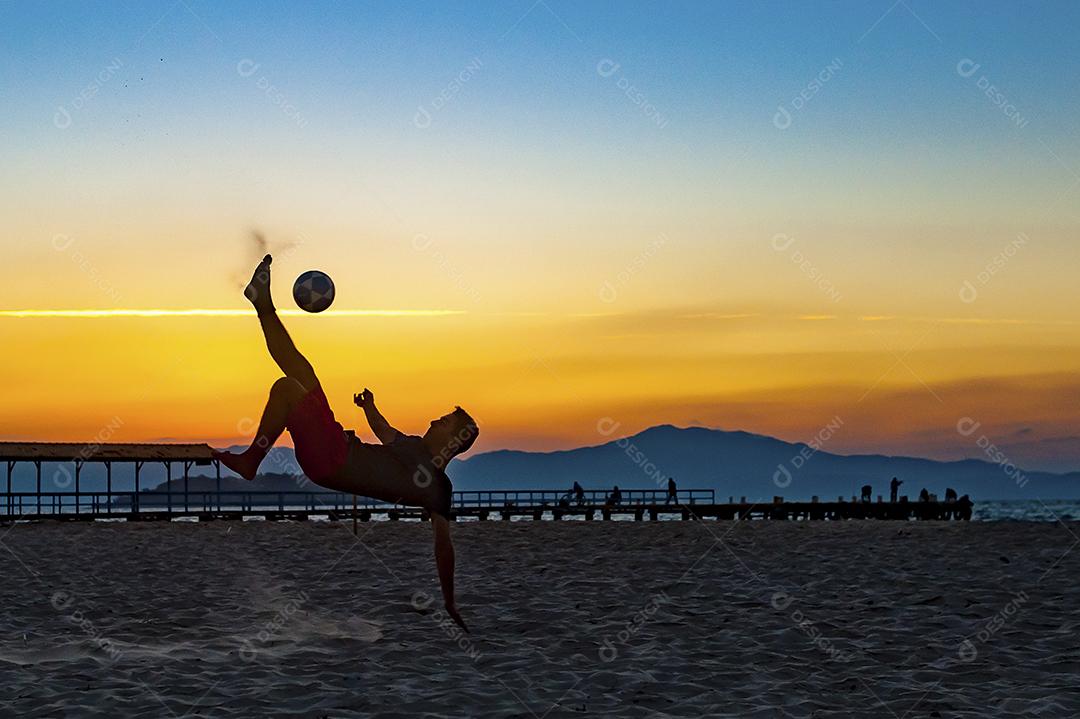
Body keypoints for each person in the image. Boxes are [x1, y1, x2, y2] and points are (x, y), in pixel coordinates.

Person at [214, 255, 478, 630]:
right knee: (300, 372)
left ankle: (251, 460)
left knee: (289, 386)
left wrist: (450, 601)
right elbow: (385, 431)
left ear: (455, 439)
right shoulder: (416, 448)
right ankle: (260, 302)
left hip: (332, 460)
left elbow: (443, 545)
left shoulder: (437, 486)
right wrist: (370, 406)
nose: (436, 419)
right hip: (337, 446)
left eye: (445, 421)